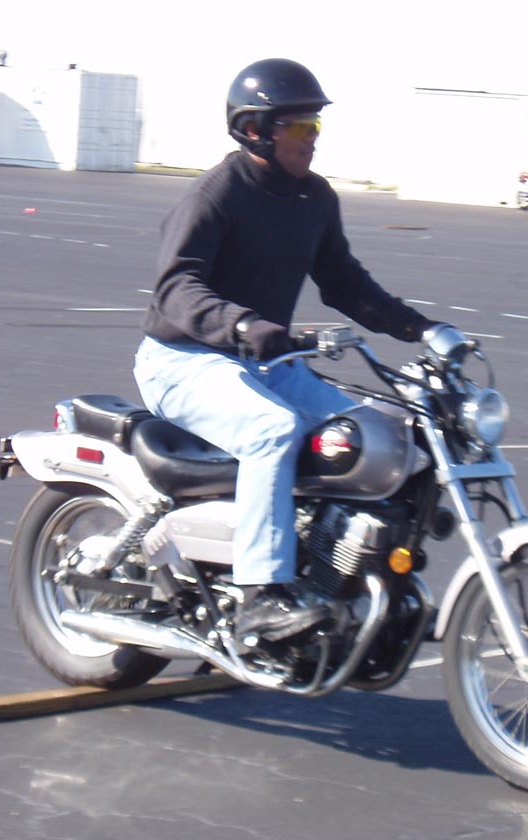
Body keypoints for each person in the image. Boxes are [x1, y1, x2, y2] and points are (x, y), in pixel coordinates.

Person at [133, 58, 445, 646]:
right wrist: (240, 322)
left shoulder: (314, 197)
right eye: (300, 127)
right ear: (254, 129)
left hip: (266, 363)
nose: (312, 139)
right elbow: (175, 287)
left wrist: (421, 329)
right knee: (270, 430)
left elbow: (344, 282)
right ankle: (260, 597)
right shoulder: (215, 195)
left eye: (315, 127)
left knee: (382, 433)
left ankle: (353, 576)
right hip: (184, 361)